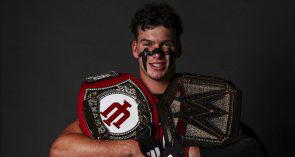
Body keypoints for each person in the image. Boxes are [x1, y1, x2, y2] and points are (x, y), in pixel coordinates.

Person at [50, 2, 267, 157]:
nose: (156, 54)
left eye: (165, 45)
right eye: (147, 45)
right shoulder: (117, 100)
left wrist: (194, 151)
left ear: (178, 48)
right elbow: (61, 149)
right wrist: (127, 150)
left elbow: (250, 148)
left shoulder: (198, 96)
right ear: (135, 49)